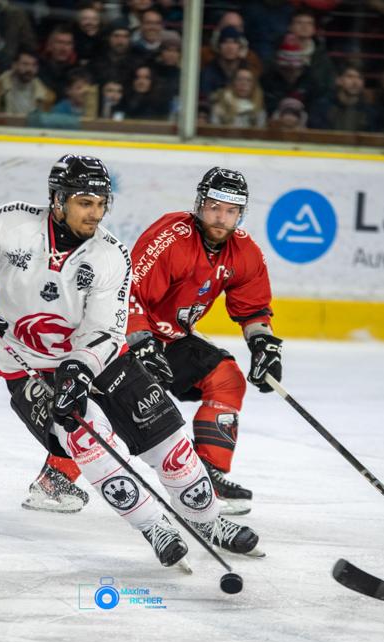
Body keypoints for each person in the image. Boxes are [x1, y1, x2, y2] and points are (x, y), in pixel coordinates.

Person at [0, 155, 262, 566]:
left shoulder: (111, 255)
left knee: (167, 440)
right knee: (88, 439)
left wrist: (80, 366)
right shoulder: (13, 223)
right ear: (58, 199)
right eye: (85, 202)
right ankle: (154, 525)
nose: (95, 213)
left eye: (102, 204)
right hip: (29, 366)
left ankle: (208, 521)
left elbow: (106, 329)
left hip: (102, 359)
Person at [27, 167, 282, 517]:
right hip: (118, 331)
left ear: (241, 213)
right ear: (199, 204)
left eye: (231, 210)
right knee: (120, 395)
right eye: (214, 207)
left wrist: (263, 343)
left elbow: (253, 307)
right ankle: (54, 482)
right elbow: (126, 294)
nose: (221, 218)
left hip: (170, 338)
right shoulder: (171, 236)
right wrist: (141, 342)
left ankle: (203, 479)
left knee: (226, 378)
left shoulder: (245, 251)